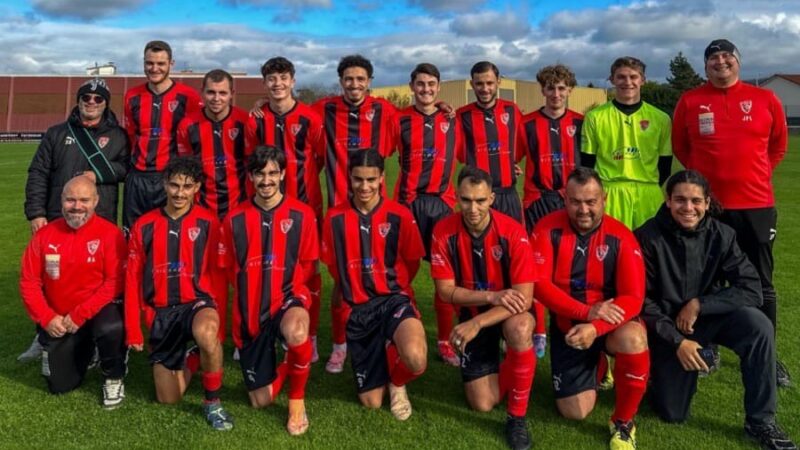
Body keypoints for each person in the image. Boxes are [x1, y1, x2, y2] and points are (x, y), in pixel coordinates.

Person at [634, 170, 796, 450]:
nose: (688, 208)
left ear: (707, 203)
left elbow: (751, 288)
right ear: (668, 201)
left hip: (708, 318)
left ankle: (760, 421)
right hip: (669, 330)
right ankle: (671, 370)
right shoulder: (647, 237)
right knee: (672, 413)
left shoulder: (722, 234)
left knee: (758, 325)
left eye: (696, 201)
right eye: (680, 200)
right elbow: (641, 301)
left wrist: (700, 304)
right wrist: (678, 341)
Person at [672, 39, 791, 387]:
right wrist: (707, 189)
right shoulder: (690, 100)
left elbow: (778, 147)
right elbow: (682, 148)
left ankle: (768, 356)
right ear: (705, 65)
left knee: (761, 282)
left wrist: (753, 176)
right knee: (705, 280)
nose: (720, 61)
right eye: (713, 57)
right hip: (707, 208)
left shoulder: (766, 99)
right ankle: (707, 348)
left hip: (756, 206)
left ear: (738, 61)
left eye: (727, 56)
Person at [531, 167, 649, 450]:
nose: (583, 210)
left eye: (591, 202)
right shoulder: (547, 229)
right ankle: (598, 366)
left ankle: (623, 422)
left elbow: (633, 297)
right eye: (575, 202)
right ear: (565, 199)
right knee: (575, 411)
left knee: (634, 338)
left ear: (604, 199)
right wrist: (585, 313)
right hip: (569, 328)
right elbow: (538, 284)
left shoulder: (621, 237)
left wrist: (595, 326)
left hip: (608, 326)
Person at [20, 77, 129, 362]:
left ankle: (94, 336)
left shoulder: (119, 136)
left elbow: (128, 169)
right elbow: (38, 173)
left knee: (94, 280)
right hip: (57, 218)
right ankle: (43, 333)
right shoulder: (57, 133)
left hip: (99, 218)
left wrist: (98, 174)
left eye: (98, 98)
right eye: (86, 98)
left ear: (106, 103)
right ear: (78, 100)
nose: (91, 102)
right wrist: (36, 213)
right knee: (51, 278)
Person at [430, 165, 537, 450]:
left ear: (491, 198)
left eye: (480, 200)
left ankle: (517, 418)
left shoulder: (513, 232)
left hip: (509, 313)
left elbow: (524, 298)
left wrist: (477, 323)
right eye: (466, 200)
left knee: (521, 327)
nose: (473, 208)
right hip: (476, 311)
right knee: (482, 403)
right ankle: (514, 365)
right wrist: (491, 296)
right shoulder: (443, 232)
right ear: (457, 197)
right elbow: (445, 291)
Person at [125, 156, 233, 431]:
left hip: (197, 303)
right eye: (174, 185)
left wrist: (219, 324)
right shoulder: (144, 225)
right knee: (168, 398)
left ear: (197, 187)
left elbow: (218, 276)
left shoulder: (209, 222)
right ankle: (193, 357)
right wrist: (133, 329)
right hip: (161, 312)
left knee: (207, 333)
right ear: (164, 184)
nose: (180, 193)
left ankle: (212, 402)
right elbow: (132, 279)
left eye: (187, 186)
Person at [320, 149, 427, 420]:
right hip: (359, 310)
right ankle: (386, 347)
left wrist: (394, 286)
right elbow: (334, 266)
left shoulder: (400, 215)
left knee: (415, 358)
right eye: (358, 179)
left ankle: (397, 382)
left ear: (381, 178)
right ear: (349, 177)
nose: (364, 186)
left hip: (394, 300)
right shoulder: (334, 219)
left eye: (371, 179)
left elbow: (412, 262)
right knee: (371, 402)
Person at [220, 146, 317, 435]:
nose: (266, 180)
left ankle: (297, 400)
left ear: (283, 174)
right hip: (252, 313)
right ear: (250, 176)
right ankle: (288, 363)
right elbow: (229, 270)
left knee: (297, 331)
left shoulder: (302, 215)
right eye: (260, 174)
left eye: (273, 173)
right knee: (260, 401)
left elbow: (309, 266)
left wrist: (293, 293)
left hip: (287, 300)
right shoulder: (234, 219)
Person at [312, 54, 398, 373]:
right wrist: (261, 105)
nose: (354, 84)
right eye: (348, 78)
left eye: (360, 78)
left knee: (381, 277)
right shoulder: (324, 109)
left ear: (369, 81)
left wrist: (443, 107)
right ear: (340, 81)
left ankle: (381, 336)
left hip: (378, 213)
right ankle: (340, 345)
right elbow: (288, 109)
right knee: (341, 282)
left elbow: (416, 119)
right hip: (340, 213)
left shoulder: (385, 110)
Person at [19, 176, 128, 407]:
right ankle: (88, 349)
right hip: (61, 319)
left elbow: (115, 282)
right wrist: (47, 318)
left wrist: (80, 314)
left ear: (96, 201)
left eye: (84, 200)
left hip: (95, 312)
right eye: (70, 200)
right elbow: (29, 282)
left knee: (110, 327)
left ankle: (113, 375)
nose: (77, 206)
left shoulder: (110, 234)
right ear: (61, 200)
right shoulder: (44, 235)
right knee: (59, 385)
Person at [247, 56, 325, 363]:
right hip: (267, 207)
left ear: (293, 80)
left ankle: (311, 333)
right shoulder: (256, 119)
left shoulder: (310, 118)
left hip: (306, 206)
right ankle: (261, 329)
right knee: (266, 266)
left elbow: (319, 158)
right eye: (271, 79)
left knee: (309, 270)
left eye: (283, 78)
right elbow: (252, 161)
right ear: (264, 83)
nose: (277, 84)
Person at [389, 62, 461, 367]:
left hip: (441, 206)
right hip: (408, 205)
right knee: (400, 274)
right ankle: (402, 327)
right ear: (412, 87)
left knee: (445, 278)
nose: (426, 89)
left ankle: (445, 341)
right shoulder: (399, 119)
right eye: (420, 84)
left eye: (431, 84)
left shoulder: (453, 119)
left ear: (439, 87)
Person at [177, 68, 252, 342]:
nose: (216, 98)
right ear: (202, 93)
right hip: (203, 214)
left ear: (232, 94)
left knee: (243, 275)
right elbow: (186, 170)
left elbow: (254, 167)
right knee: (205, 275)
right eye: (211, 92)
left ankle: (244, 335)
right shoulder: (188, 125)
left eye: (222, 93)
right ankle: (211, 333)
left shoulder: (245, 122)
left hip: (239, 211)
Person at [517, 63, 585, 358]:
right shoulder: (527, 123)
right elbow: (510, 156)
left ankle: (571, 320)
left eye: (561, 88)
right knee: (537, 266)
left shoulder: (582, 123)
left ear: (570, 90)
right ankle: (540, 331)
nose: (556, 94)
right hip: (537, 201)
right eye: (550, 88)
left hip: (572, 201)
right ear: (542, 90)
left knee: (571, 264)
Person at [581, 56, 672, 230]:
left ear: (643, 80)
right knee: (611, 244)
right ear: (612, 79)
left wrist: (645, 185)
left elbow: (665, 164)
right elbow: (587, 163)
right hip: (610, 193)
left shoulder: (661, 118)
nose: (627, 82)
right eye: (621, 77)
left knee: (650, 245)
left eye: (633, 77)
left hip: (648, 194)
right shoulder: (595, 117)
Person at [123, 40, 203, 232]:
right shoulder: (132, 96)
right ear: (144, 63)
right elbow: (131, 136)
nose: (154, 68)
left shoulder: (188, 97)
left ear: (171, 64)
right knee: (134, 234)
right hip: (138, 177)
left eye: (160, 63)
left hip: (171, 178)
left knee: (168, 234)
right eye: (149, 63)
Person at [456, 61, 524, 223]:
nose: (485, 89)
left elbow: (524, 141)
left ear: (498, 82)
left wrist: (510, 162)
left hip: (508, 194)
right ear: (472, 84)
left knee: (513, 237)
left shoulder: (512, 110)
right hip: (478, 198)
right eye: (479, 83)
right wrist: (440, 105)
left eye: (489, 83)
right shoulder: (462, 115)